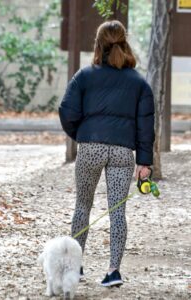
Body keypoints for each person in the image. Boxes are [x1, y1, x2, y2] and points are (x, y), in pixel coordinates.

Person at [59, 20, 155, 287]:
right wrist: (145, 161)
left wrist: (81, 134)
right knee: (117, 212)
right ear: (125, 43)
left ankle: (75, 268)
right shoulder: (139, 83)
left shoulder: (85, 76)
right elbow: (146, 123)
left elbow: (66, 111)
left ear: (98, 44)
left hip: (90, 148)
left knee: (82, 206)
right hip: (123, 153)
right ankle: (113, 272)